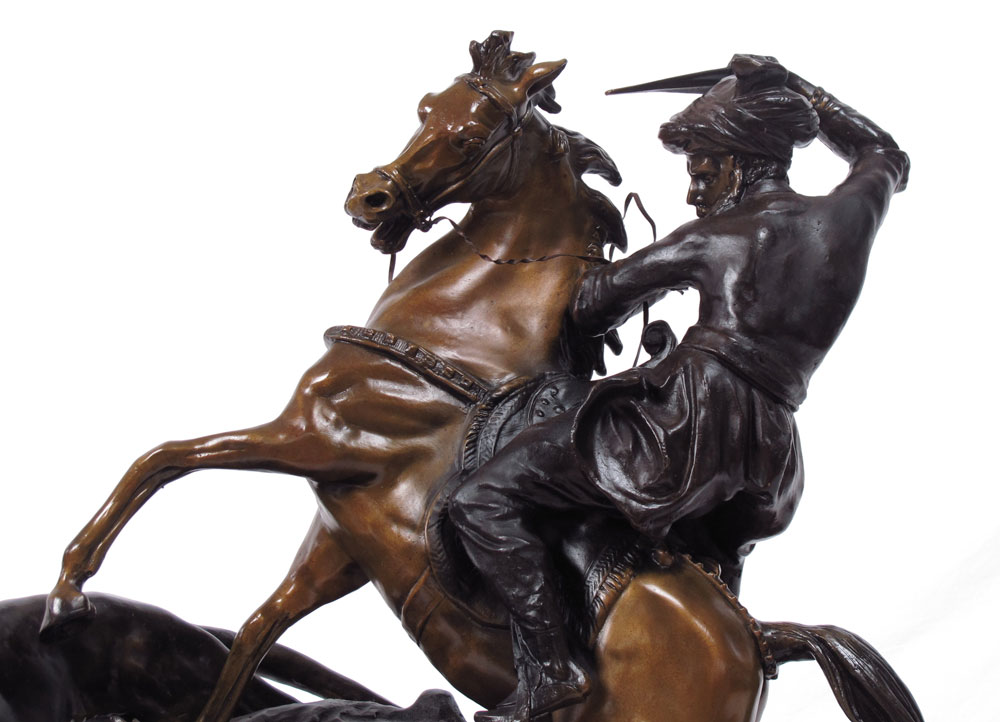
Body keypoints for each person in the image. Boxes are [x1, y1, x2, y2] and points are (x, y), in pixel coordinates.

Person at [449, 55, 909, 722]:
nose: (694, 192)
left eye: (702, 170)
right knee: (684, 572)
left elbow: (591, 304)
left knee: (481, 497)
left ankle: (550, 673)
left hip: (688, 424)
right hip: (770, 451)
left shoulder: (713, 236)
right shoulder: (849, 214)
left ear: (738, 163)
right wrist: (806, 91)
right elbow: (884, 152)